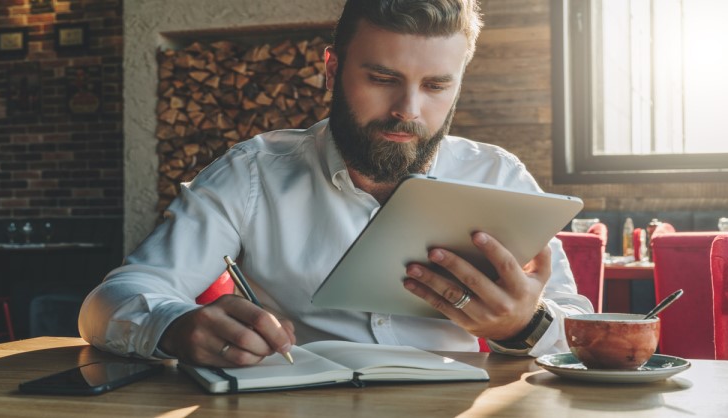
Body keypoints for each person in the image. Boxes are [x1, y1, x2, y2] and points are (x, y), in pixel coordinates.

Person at [79, 0, 593, 368]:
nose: (408, 111)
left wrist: (523, 325)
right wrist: (174, 327)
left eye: (436, 85)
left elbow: (580, 328)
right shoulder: (253, 173)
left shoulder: (497, 176)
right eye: (382, 78)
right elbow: (113, 300)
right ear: (331, 68)